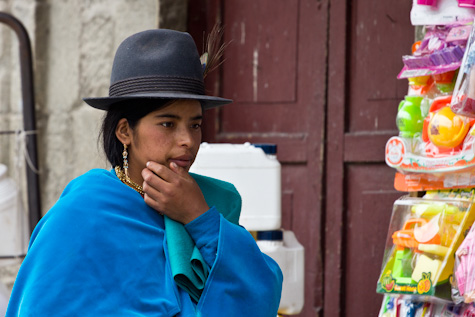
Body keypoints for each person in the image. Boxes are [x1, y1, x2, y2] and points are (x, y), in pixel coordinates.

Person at [6, 29, 283, 316]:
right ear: (125, 131)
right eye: (168, 124)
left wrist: (199, 217)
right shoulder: (83, 212)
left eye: (195, 125)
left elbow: (260, 296)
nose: (187, 139)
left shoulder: (211, 201)